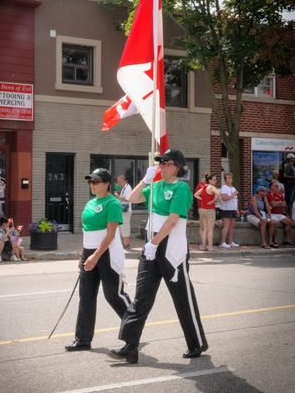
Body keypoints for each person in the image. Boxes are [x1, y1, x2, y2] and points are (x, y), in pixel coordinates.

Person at [108, 150, 208, 364]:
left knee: (182, 298)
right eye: (159, 162)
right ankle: (130, 346)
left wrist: (154, 243)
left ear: (177, 166)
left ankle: (196, 342)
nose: (161, 165)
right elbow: (131, 198)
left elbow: (172, 221)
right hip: (151, 247)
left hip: (171, 248)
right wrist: (145, 180)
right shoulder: (155, 186)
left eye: (165, 162)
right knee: (141, 297)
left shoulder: (182, 188)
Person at [65, 168, 131, 352]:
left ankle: (134, 328)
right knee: (86, 296)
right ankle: (83, 340)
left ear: (106, 183)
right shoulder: (89, 203)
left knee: (113, 295)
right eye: (90, 182)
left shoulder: (113, 203)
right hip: (89, 253)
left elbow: (110, 235)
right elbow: (88, 233)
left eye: (95, 181)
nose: (92, 185)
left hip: (107, 254)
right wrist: (83, 255)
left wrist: (96, 255)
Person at [194, 174, 220, 251]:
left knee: (204, 228)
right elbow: (218, 194)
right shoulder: (212, 187)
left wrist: (202, 199)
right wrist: (213, 201)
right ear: (210, 180)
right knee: (210, 229)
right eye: (214, 180)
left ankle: (204, 246)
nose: (216, 181)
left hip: (202, 209)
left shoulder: (204, 187)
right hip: (210, 209)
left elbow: (195, 194)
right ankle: (210, 247)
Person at [266, 180, 293, 245]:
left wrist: (277, 203)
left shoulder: (280, 194)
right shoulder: (268, 194)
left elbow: (285, 204)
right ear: (271, 187)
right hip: (272, 214)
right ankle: (273, 240)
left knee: (289, 222)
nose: (277, 187)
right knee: (274, 225)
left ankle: (287, 239)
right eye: (276, 186)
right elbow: (273, 204)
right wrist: (279, 203)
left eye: (277, 186)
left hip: (279, 214)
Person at [219, 172, 240, 248]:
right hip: (226, 209)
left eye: (230, 178)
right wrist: (233, 195)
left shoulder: (233, 188)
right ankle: (222, 242)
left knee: (232, 226)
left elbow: (235, 200)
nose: (229, 179)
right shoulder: (224, 187)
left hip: (233, 209)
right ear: (225, 179)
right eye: (228, 178)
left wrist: (237, 209)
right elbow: (224, 198)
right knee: (226, 226)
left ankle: (230, 241)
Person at [114, 175, 132, 249]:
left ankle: (126, 244)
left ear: (123, 180)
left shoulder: (128, 188)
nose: (118, 183)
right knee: (122, 227)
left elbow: (128, 199)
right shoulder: (124, 188)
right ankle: (124, 243)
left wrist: (118, 196)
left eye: (119, 181)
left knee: (125, 227)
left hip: (126, 211)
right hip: (122, 211)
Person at [194, 171, 208, 250]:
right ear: (203, 177)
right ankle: (203, 243)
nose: (206, 179)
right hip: (202, 207)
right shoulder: (200, 185)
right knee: (203, 226)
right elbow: (197, 195)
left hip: (206, 208)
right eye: (205, 177)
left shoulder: (206, 185)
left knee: (206, 226)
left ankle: (205, 243)